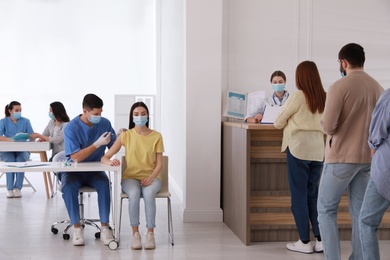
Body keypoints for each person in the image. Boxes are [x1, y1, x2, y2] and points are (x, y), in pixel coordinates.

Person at [317, 43, 384, 260]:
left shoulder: (339, 87)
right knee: (359, 215)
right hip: (368, 160)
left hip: (340, 158)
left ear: (343, 62)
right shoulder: (378, 87)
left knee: (326, 211)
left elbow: (328, 125)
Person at [274, 61, 326, 254]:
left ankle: (304, 242)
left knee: (299, 196)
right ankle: (321, 240)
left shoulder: (297, 96)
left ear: (299, 77)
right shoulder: (324, 96)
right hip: (317, 151)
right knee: (313, 195)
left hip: (298, 150)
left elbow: (278, 123)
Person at [101, 101, 164, 250]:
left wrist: (151, 178)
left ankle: (150, 234)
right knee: (134, 193)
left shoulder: (157, 136)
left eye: (143, 114)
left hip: (153, 177)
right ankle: (135, 235)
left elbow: (160, 164)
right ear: (132, 116)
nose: (139, 117)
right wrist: (111, 162)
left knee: (149, 194)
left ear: (147, 116)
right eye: (136, 114)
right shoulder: (125, 135)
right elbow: (105, 157)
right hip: (130, 178)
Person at [61, 94, 116, 246]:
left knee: (104, 185)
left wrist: (122, 138)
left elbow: (114, 145)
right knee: (68, 187)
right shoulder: (71, 128)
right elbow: (76, 157)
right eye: (95, 114)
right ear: (85, 111)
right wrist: (97, 144)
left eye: (101, 113)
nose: (99, 117)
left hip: (95, 171)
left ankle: (105, 228)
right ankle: (77, 229)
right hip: (74, 171)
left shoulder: (105, 123)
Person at [359, 89, 390, 260]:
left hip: (386, 169)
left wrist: (373, 147)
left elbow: (377, 132)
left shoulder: (389, 96)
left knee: (367, 222)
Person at [0, 101, 40, 198]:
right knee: (10, 160)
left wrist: (32, 136)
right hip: (7, 151)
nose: (19, 112)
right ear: (10, 111)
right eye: (16, 110)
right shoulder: (3, 121)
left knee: (20, 160)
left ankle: (18, 188)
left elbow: (31, 136)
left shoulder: (26, 121)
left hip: (22, 150)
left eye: (20, 110)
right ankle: (10, 189)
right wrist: (10, 139)